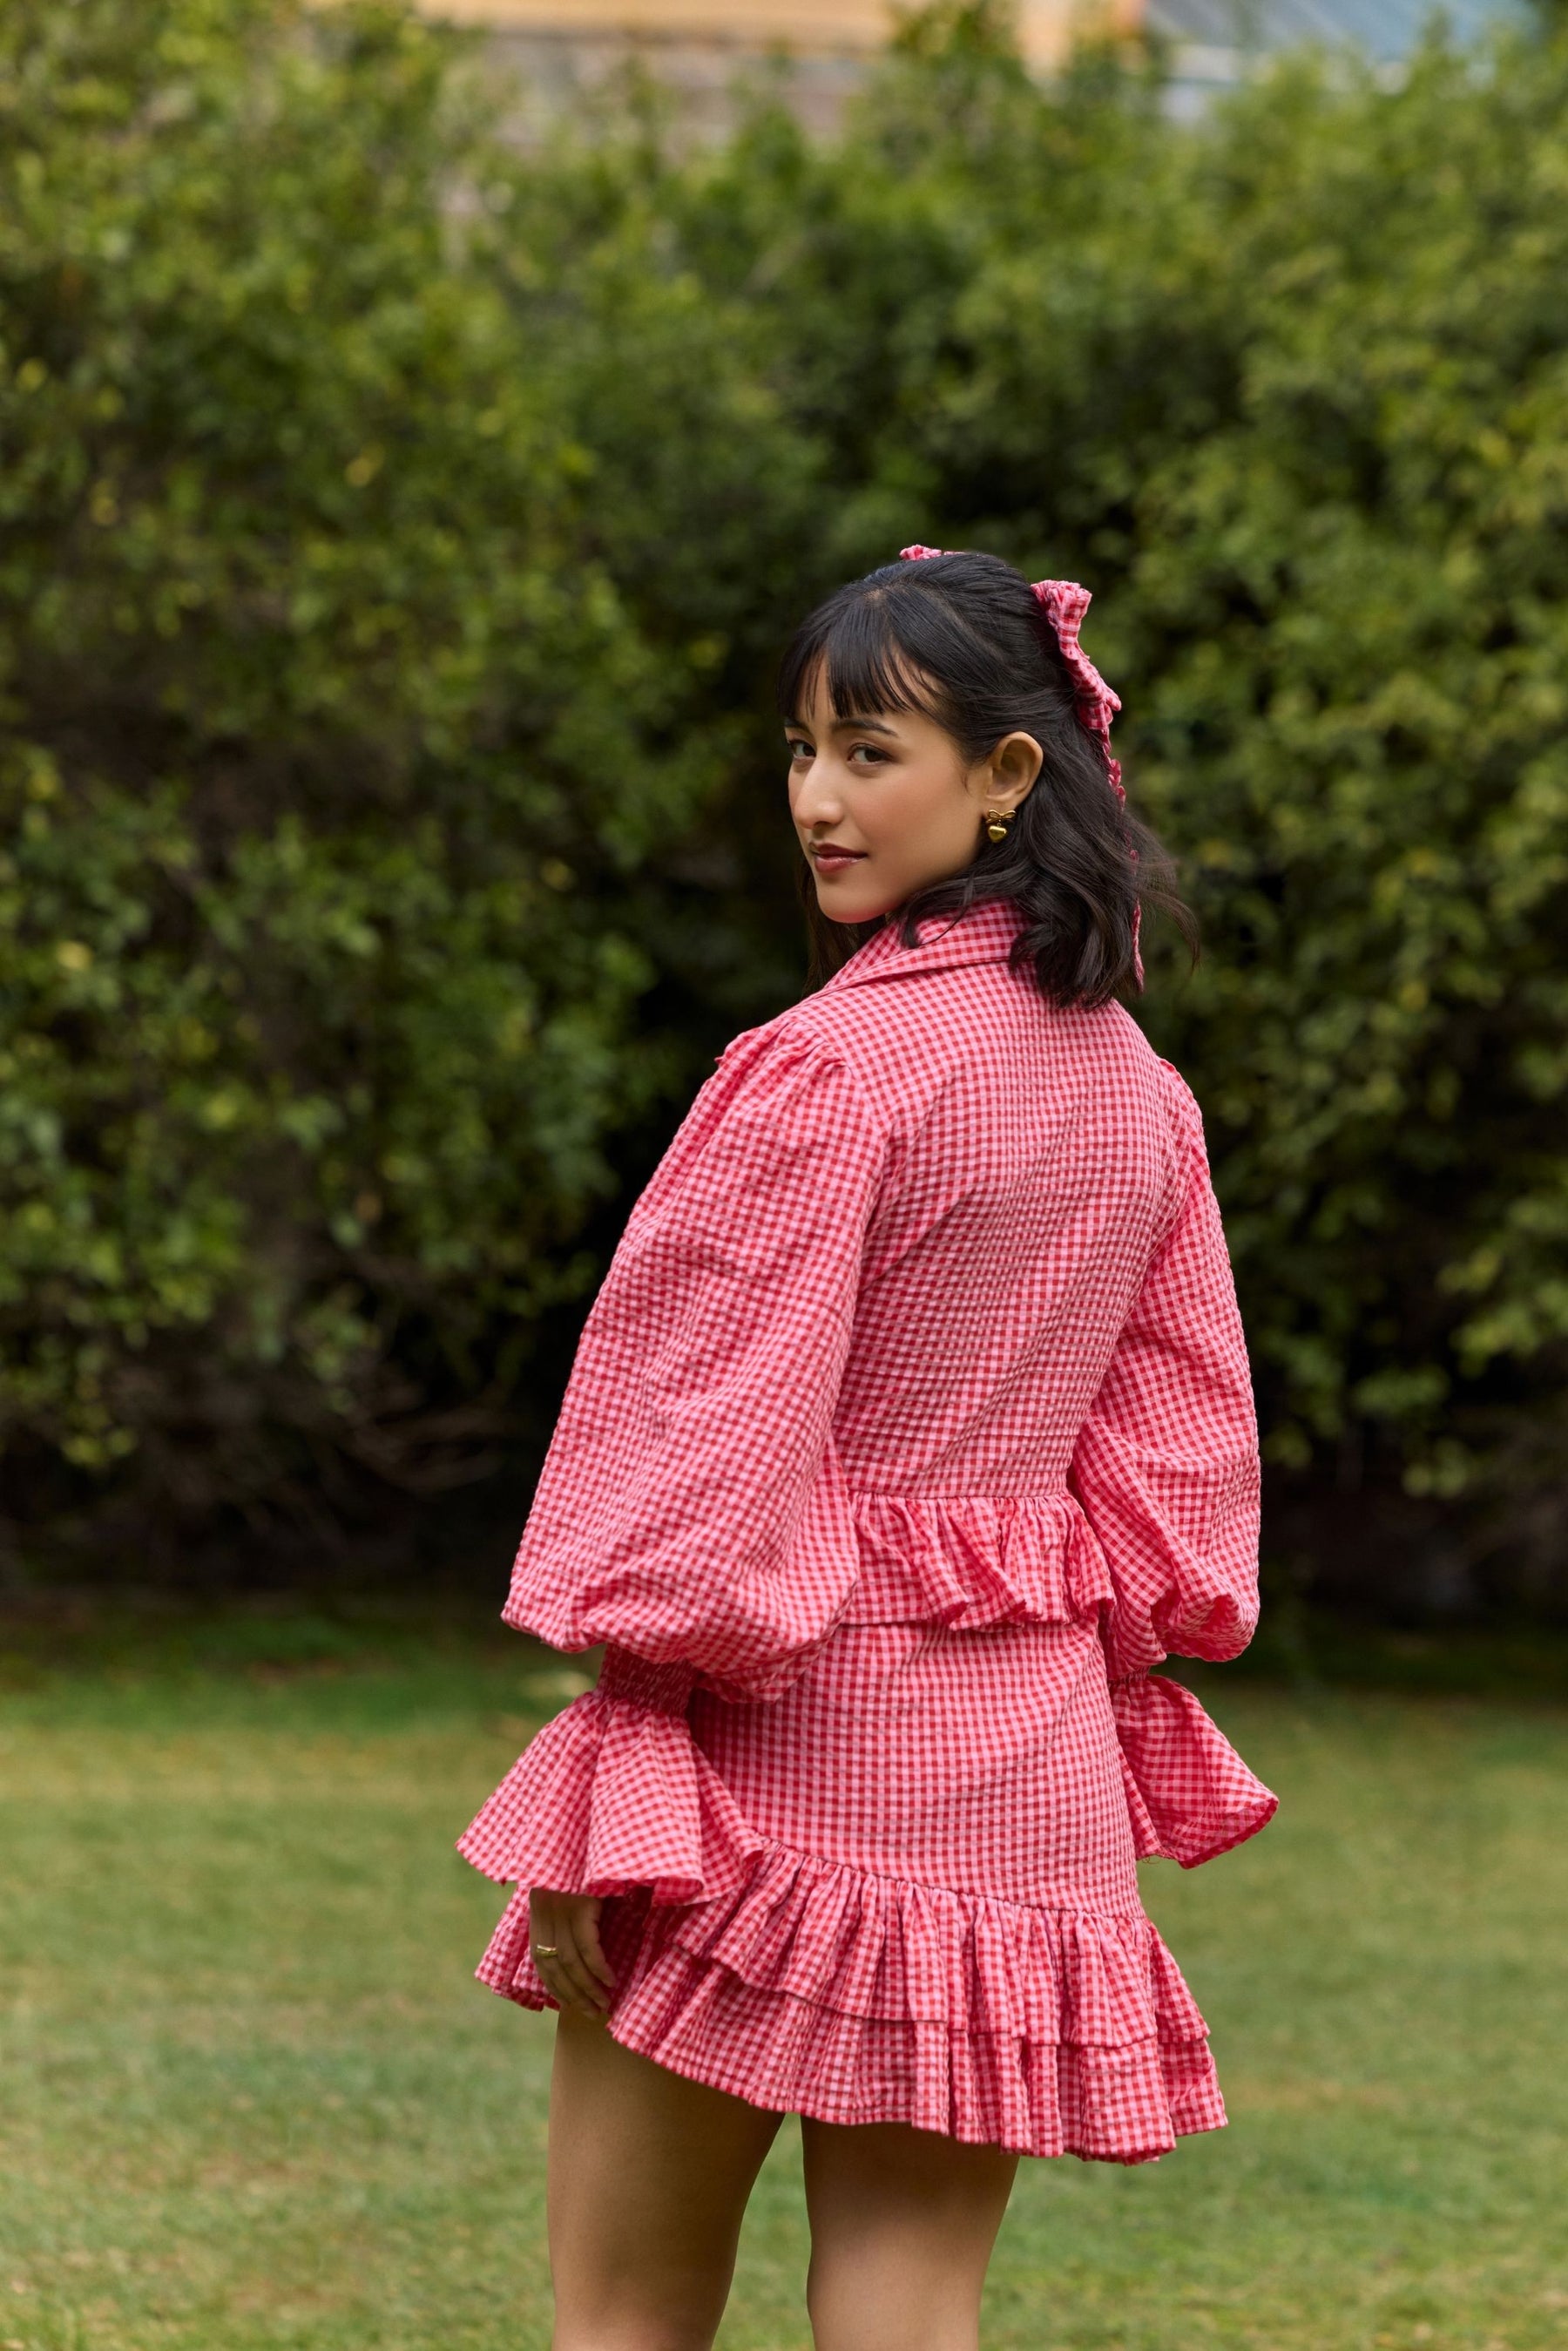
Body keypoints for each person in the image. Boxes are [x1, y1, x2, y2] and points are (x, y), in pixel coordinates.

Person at [458, 545, 1277, 2351]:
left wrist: (635, 1728)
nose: (819, 798)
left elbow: (706, 1431)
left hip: (781, 1743)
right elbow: (1181, 1466)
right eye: (802, 749)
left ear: (1007, 775)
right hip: (1023, 1772)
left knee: (629, 2312)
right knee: (910, 2306)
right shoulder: (1145, 1096)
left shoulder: (826, 1071)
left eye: (871, 750)